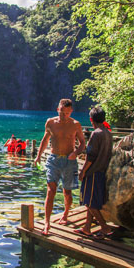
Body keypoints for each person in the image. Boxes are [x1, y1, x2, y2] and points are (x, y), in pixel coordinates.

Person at [34, 99, 86, 235]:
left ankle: (66, 214)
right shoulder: (50, 122)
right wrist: (38, 156)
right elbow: (45, 140)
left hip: (70, 161)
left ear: (71, 112)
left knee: (67, 192)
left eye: (67, 113)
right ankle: (47, 222)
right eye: (62, 112)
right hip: (53, 159)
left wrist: (75, 153)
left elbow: (82, 143)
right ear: (58, 109)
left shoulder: (75, 125)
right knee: (51, 190)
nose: (64, 116)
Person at [75, 107, 113, 239]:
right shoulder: (108, 133)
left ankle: (104, 227)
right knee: (92, 201)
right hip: (102, 171)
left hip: (93, 172)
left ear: (91, 120)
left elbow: (90, 157)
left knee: (89, 202)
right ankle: (87, 227)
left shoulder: (96, 134)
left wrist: (82, 172)